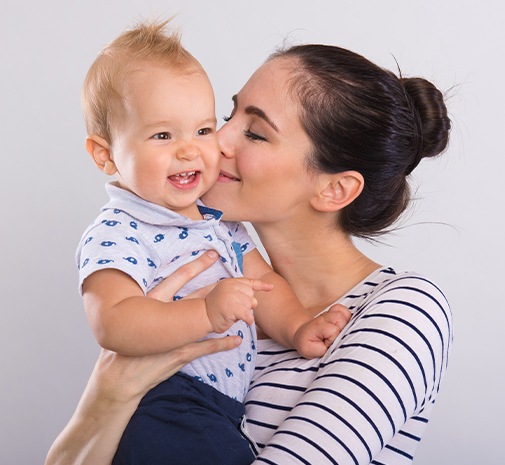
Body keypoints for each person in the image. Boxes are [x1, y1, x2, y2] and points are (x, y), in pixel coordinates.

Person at [46, 38, 453, 465]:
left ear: (335, 189)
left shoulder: (402, 311)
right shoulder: (189, 273)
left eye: (255, 133)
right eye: (227, 116)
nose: (214, 141)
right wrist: (107, 398)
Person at [76, 21, 348, 465]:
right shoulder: (119, 230)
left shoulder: (218, 223)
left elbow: (263, 284)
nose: (191, 150)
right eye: (163, 135)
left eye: (203, 130)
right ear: (105, 154)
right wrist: (202, 312)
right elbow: (113, 323)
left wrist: (298, 326)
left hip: (220, 408)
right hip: (165, 400)